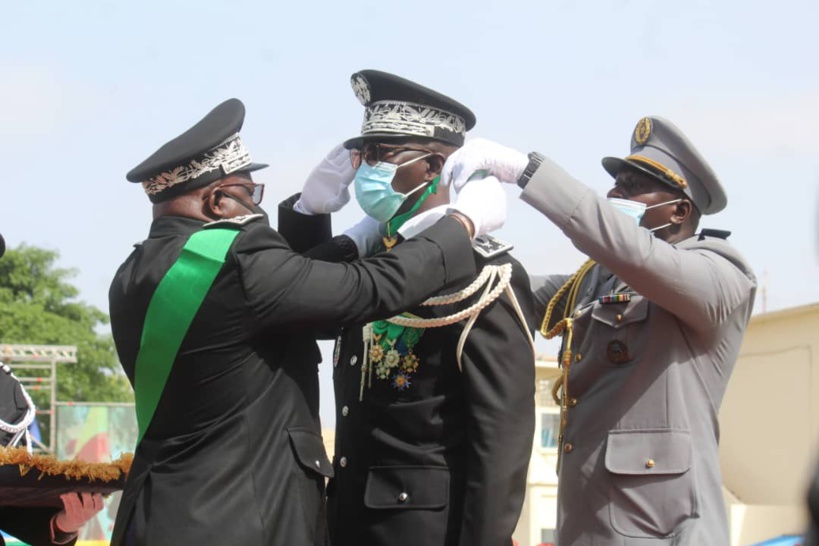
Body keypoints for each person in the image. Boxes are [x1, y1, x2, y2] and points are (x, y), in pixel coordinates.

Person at [107, 98, 505, 546]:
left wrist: (320, 222)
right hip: (239, 519)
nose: (255, 205)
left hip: (156, 514)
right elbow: (365, 290)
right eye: (250, 193)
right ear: (218, 200)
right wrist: (461, 223)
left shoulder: (134, 274)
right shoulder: (239, 260)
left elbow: (280, 304)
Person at [440, 117, 757, 545]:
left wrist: (527, 172)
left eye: (633, 185)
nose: (614, 194)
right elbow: (505, 291)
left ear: (680, 210)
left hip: (664, 533)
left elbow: (637, 255)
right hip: (586, 525)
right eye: (615, 183)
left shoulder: (719, 272)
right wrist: (453, 234)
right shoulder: (598, 280)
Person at [280, 70, 536, 546]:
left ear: (433, 166)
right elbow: (298, 305)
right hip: (350, 522)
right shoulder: (371, 256)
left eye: (386, 153)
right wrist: (308, 214)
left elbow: (500, 442)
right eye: (366, 154)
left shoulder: (481, 275)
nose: (370, 169)